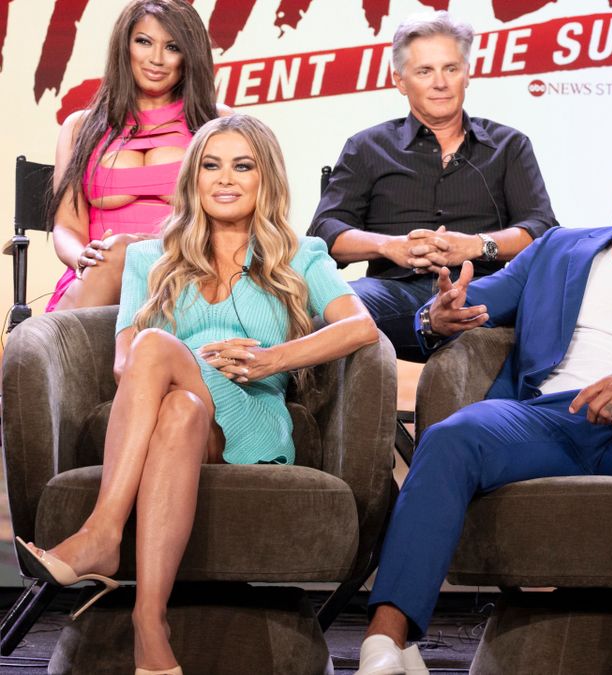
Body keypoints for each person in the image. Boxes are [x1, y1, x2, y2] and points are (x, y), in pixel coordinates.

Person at [352, 98, 612, 675]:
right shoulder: (558, 248)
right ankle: (387, 644)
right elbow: (470, 304)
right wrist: (438, 316)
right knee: (454, 436)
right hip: (545, 419)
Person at [16, 115, 377, 675]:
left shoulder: (300, 254)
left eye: (242, 165)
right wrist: (180, 369)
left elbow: (360, 327)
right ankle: (148, 625)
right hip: (175, 413)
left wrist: (270, 358)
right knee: (175, 393)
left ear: (266, 178)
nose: (225, 179)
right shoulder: (147, 256)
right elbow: (123, 362)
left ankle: (101, 533)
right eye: (211, 165)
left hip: (249, 410)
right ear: (193, 177)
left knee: (158, 346)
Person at [309, 10, 556, 361]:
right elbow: (326, 232)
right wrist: (391, 247)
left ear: (466, 74)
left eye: (450, 69)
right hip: (393, 290)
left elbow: (542, 230)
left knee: (533, 312)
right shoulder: (367, 147)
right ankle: (426, 326)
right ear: (400, 80)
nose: (440, 83)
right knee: (330, 311)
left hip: (483, 289)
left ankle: (436, 330)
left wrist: (474, 246)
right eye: (425, 71)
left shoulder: (509, 146)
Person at [47, 0, 227, 312]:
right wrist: (81, 257)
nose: (156, 59)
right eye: (144, 42)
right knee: (116, 254)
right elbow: (66, 225)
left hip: (184, 273)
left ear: (189, 56)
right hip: (95, 276)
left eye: (172, 47)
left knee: (125, 251)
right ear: (124, 46)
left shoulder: (216, 124)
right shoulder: (80, 127)